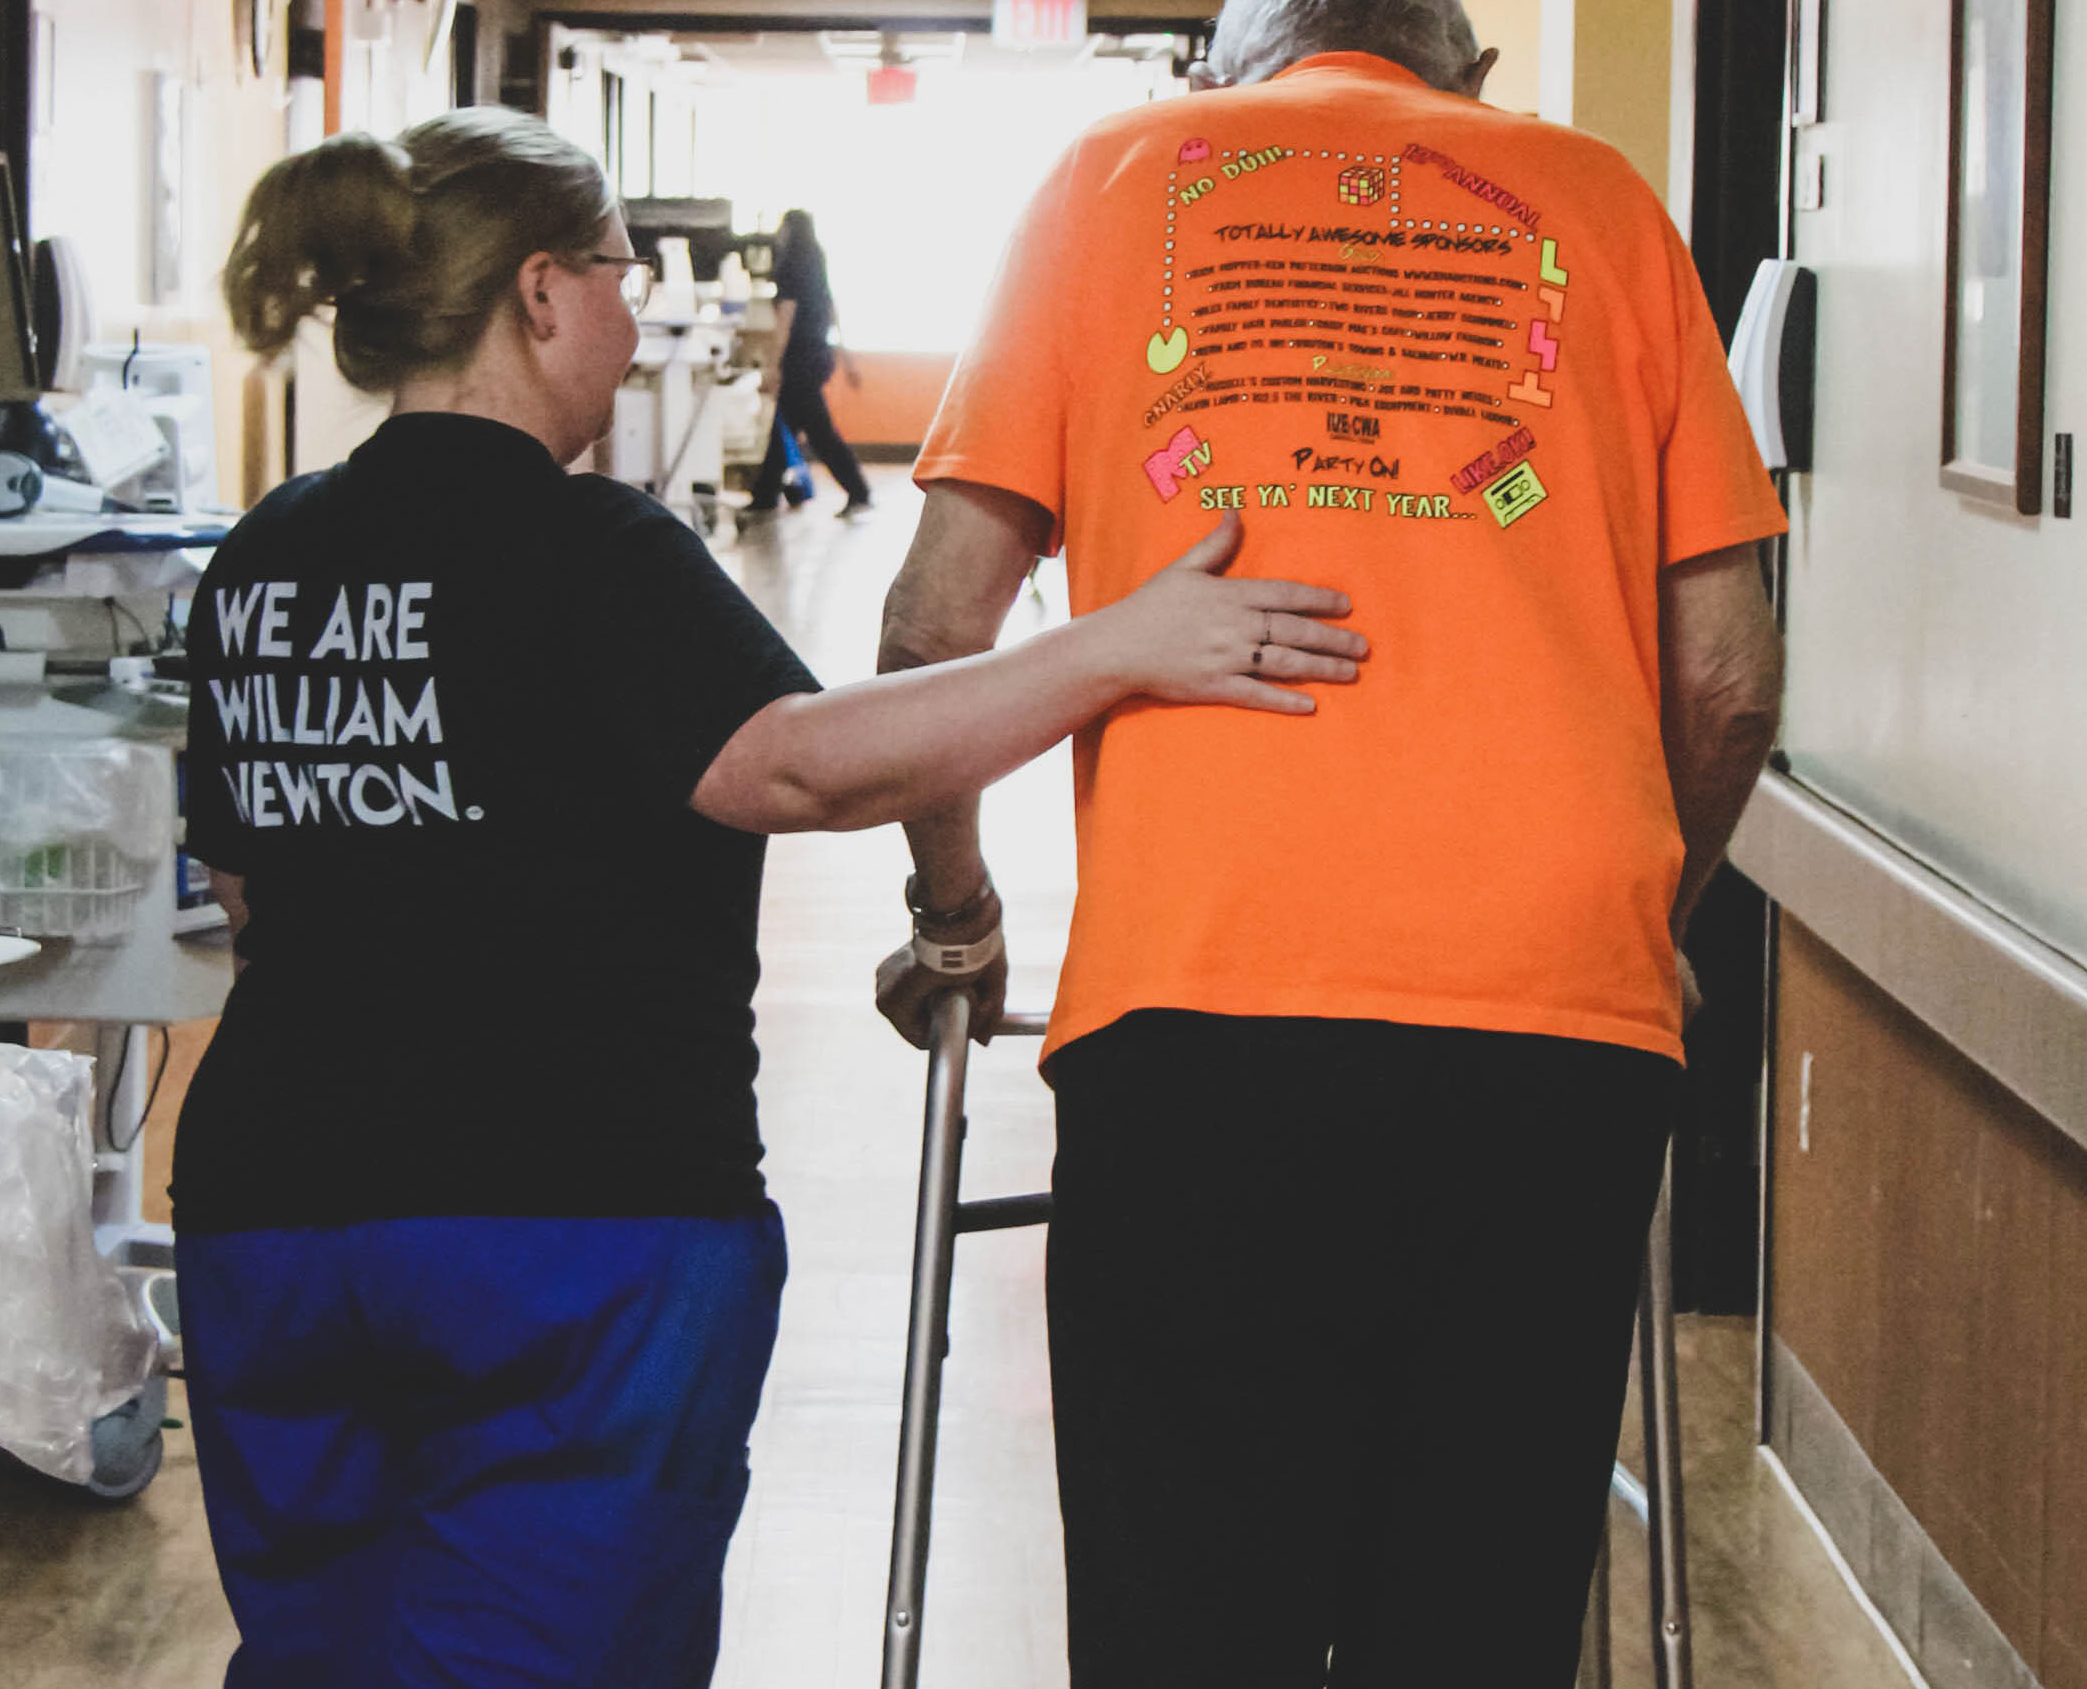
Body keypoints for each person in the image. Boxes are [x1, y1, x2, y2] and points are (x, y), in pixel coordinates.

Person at [172, 107, 1371, 1689]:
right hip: (568, 1226)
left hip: (276, 1219)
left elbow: (249, 883)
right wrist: (1118, 647)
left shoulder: (263, 555)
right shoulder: (584, 542)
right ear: (538, 293)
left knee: (322, 1648)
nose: (630, 307)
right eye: (618, 271)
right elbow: (795, 767)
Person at [873, 0, 1788, 1685]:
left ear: (1228, 73)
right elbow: (1732, 679)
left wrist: (960, 917)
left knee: (1186, 1595)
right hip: (1552, 1015)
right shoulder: (1599, 200)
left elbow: (931, 627)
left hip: (1205, 999)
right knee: (1473, 1596)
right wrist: (1642, 924)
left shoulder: (1113, 180)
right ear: (1467, 72)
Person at [742, 206, 873, 520]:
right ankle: (766, 494)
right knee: (783, 426)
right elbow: (832, 310)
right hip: (818, 356)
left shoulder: (790, 266)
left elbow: (785, 320)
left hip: (798, 360)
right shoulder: (816, 262)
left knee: (819, 431)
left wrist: (772, 366)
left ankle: (858, 491)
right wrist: (847, 359)